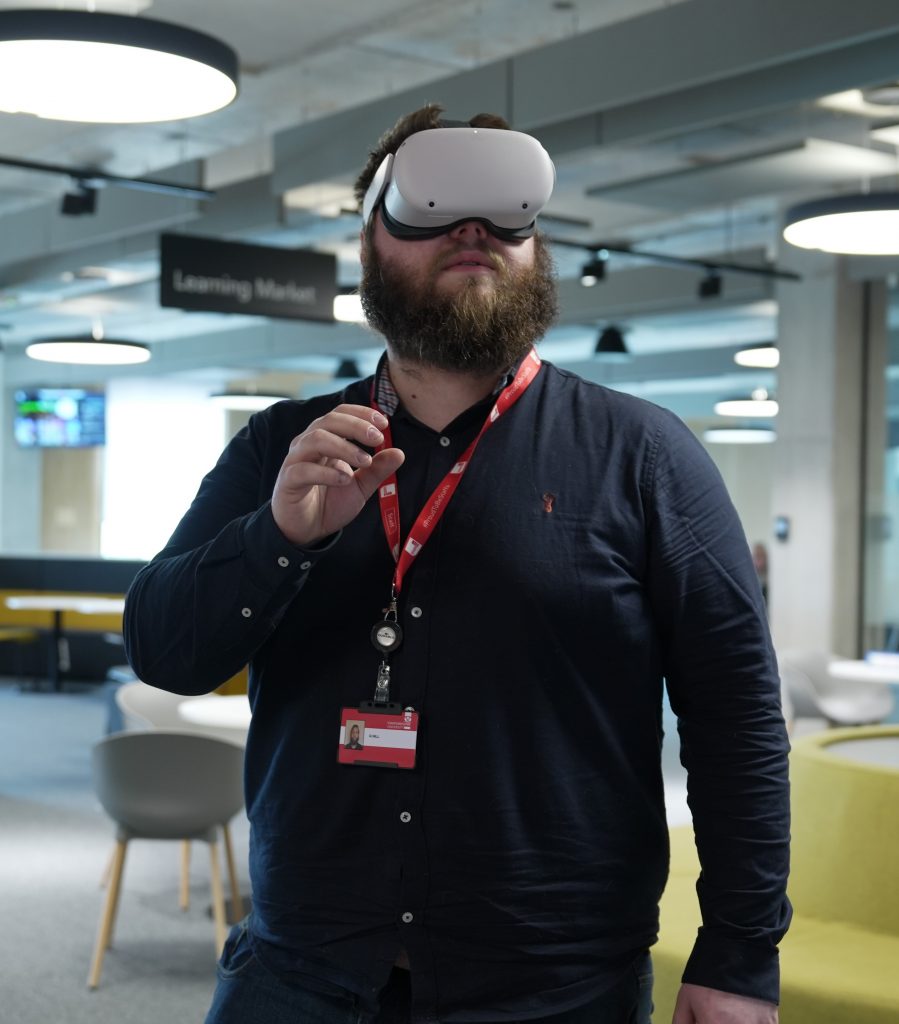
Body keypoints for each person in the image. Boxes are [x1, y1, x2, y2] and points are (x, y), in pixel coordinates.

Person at [124, 104, 791, 1024]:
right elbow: (164, 649)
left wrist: (739, 952)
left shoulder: (644, 457)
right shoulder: (281, 448)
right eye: (431, 206)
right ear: (370, 243)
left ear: (536, 246)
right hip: (300, 972)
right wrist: (279, 540)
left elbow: (737, 717)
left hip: (552, 985)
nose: (471, 231)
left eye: (504, 212)